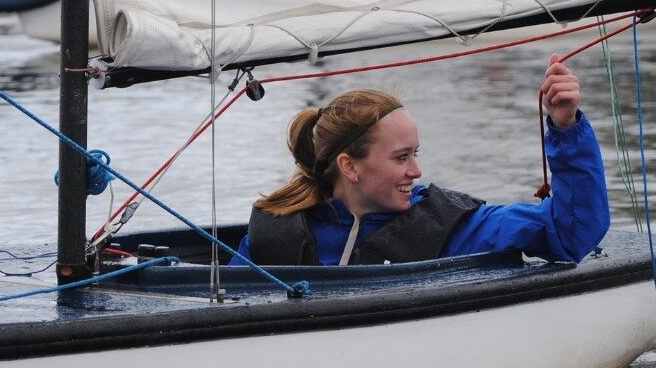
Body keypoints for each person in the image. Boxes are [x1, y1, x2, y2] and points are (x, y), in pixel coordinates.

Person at [233, 55, 610, 267]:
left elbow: (573, 234)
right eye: (401, 157)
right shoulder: (275, 236)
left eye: (416, 154)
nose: (416, 171)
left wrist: (566, 128)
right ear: (349, 166)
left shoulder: (454, 228)